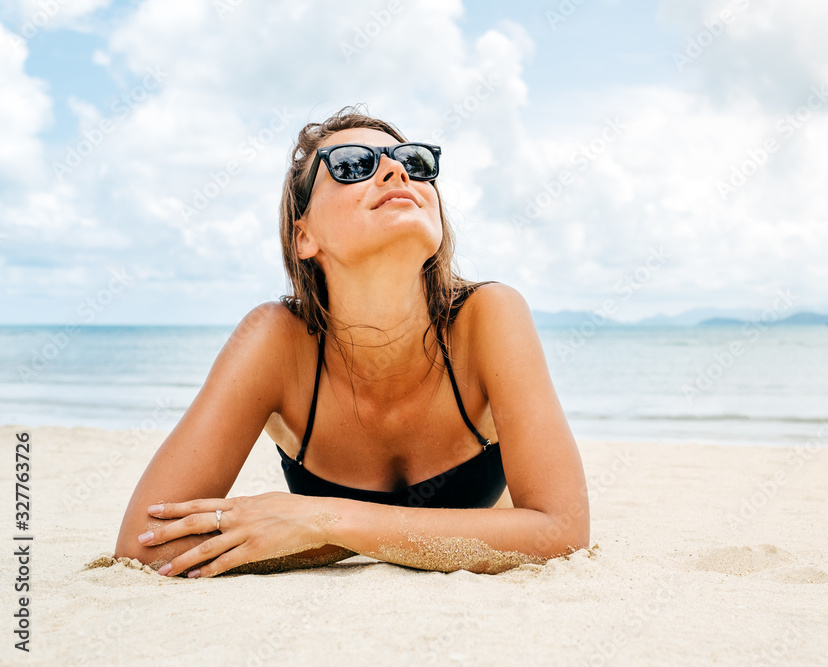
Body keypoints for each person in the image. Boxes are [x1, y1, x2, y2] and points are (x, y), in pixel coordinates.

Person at [114, 106, 589, 577]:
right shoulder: (276, 342)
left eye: (416, 161)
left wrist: (326, 522)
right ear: (304, 236)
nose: (395, 169)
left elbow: (562, 534)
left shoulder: (488, 316)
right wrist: (355, 534)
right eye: (351, 165)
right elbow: (144, 546)